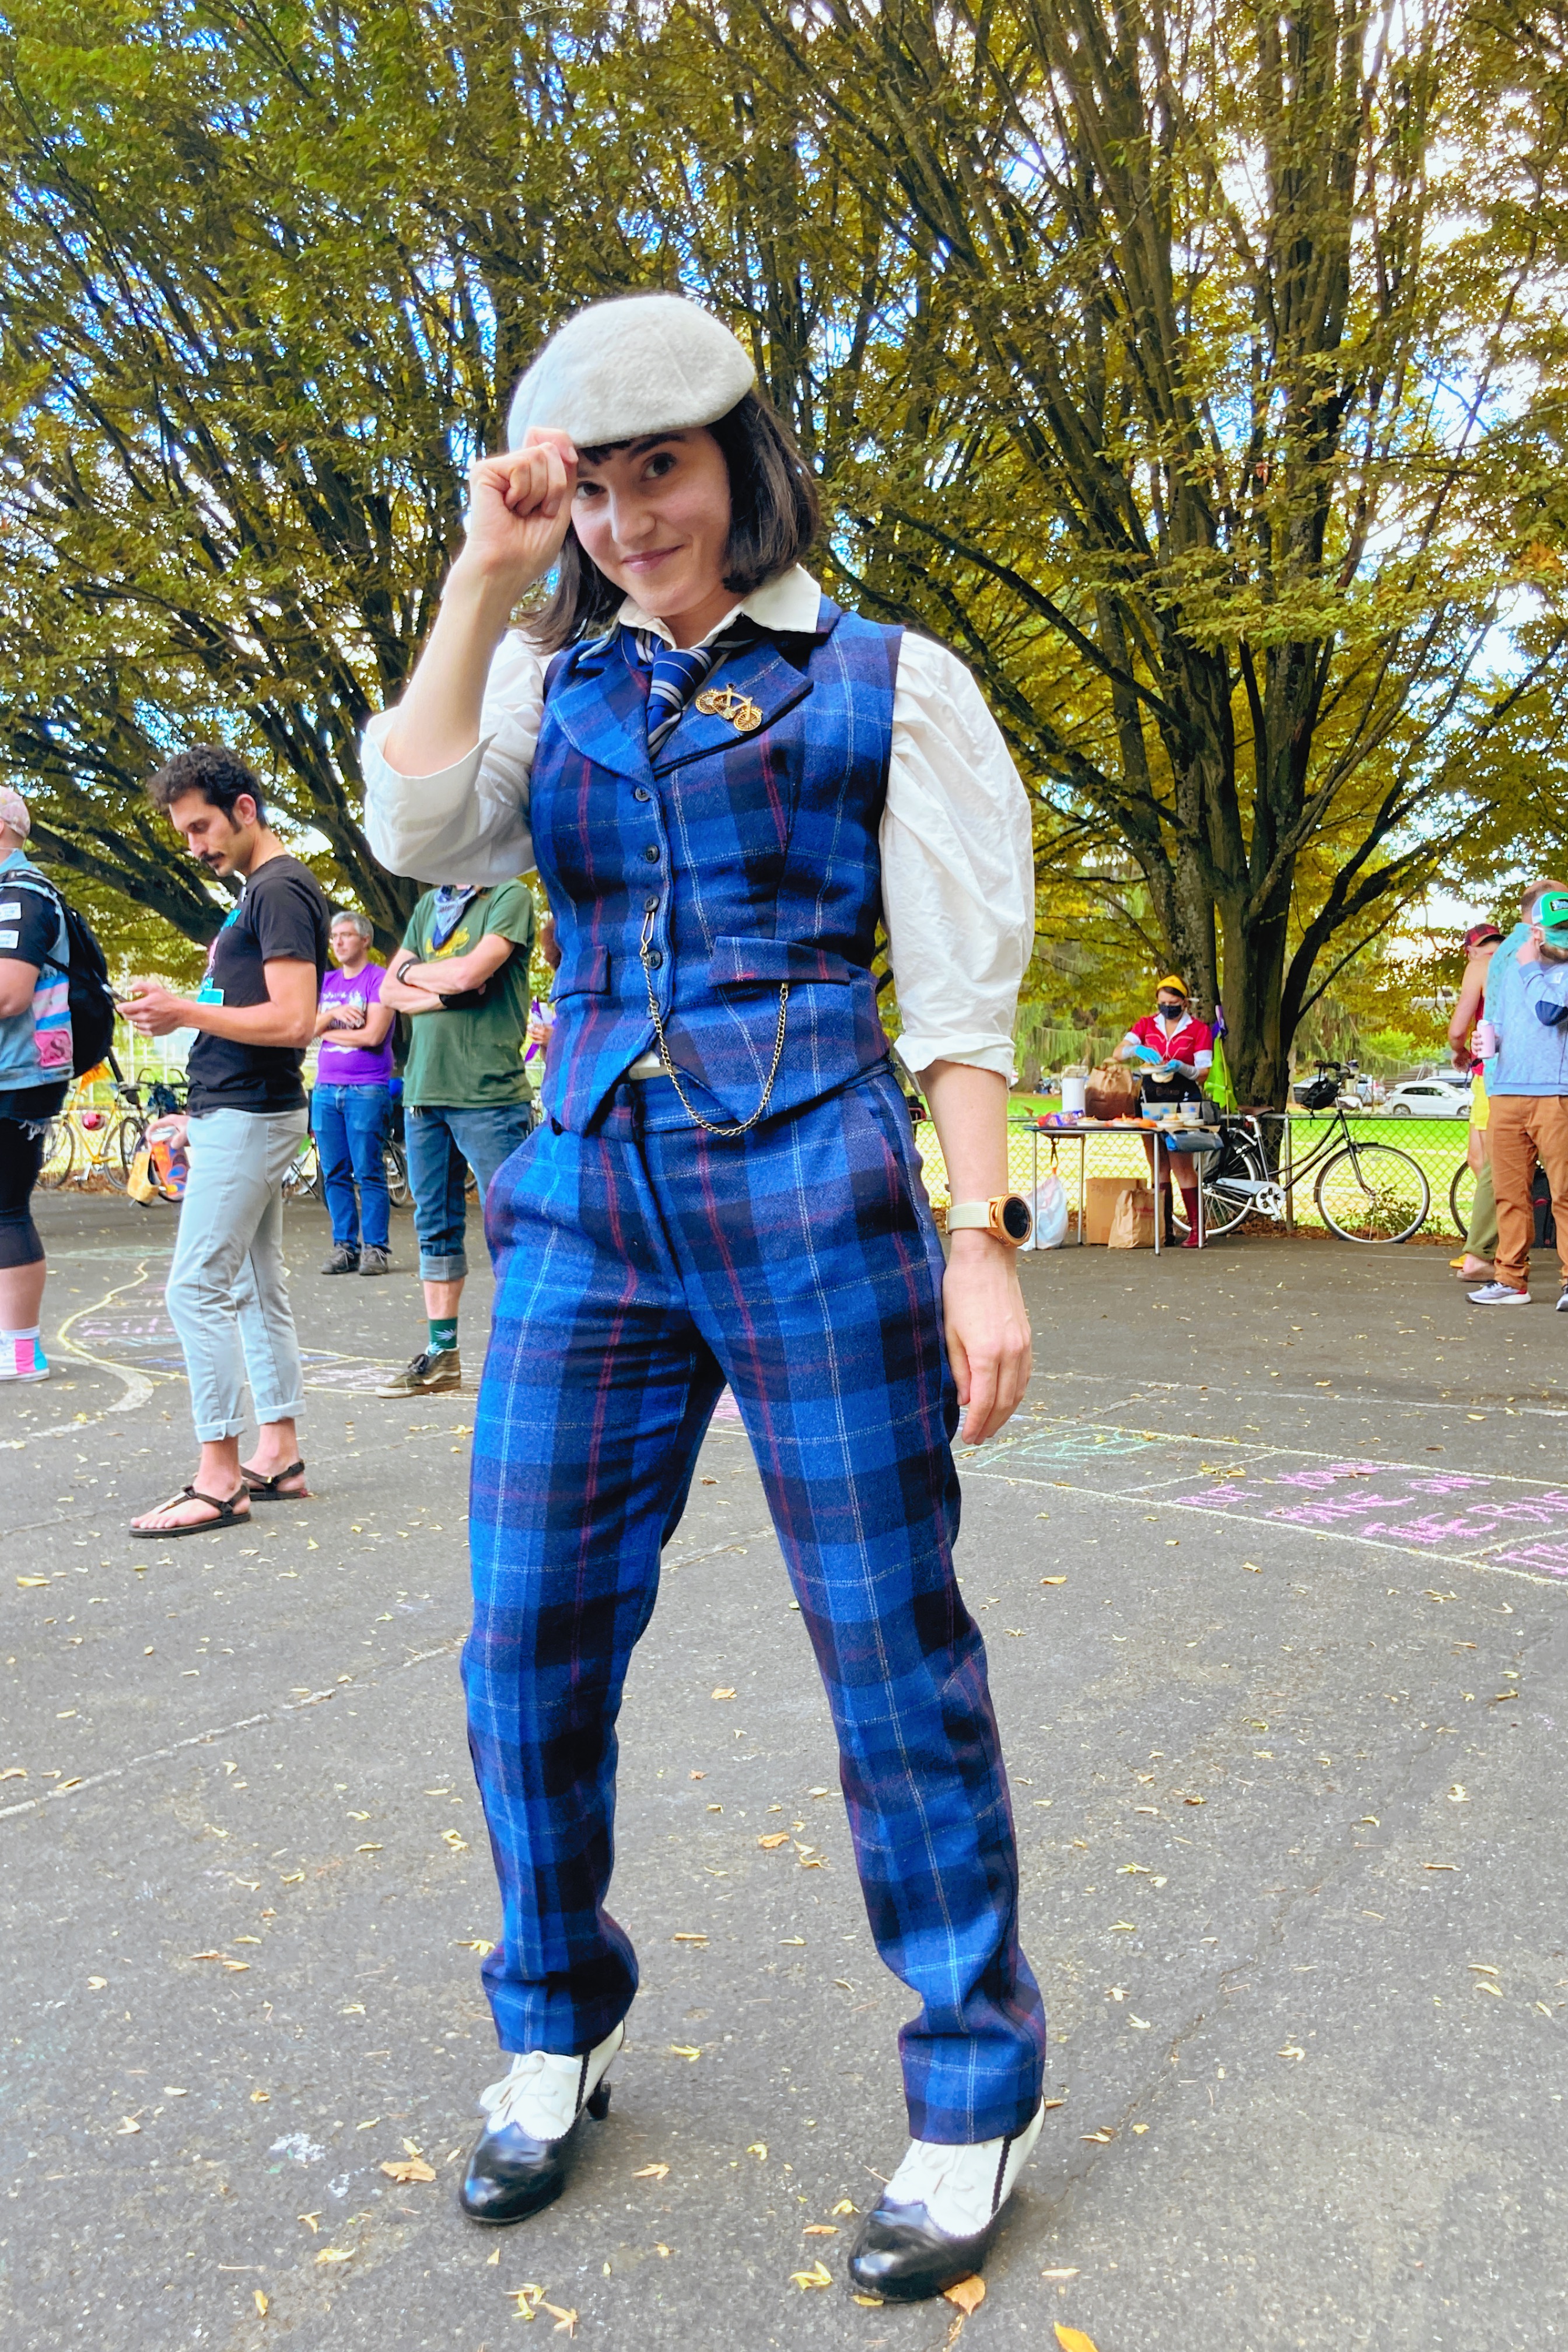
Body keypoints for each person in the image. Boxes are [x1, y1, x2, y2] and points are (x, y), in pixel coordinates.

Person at [362, 292, 1042, 2304]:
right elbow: (416, 830)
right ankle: (552, 2015)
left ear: (743, 461)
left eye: (659, 468)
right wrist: (484, 578)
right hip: (581, 1193)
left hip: (811, 1177)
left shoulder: (883, 684)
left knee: (883, 1641)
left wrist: (979, 1237)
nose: (628, 516)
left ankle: (970, 2080)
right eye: (591, 485)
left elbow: (959, 981)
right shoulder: (544, 684)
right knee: (525, 1642)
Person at [120, 747, 330, 1532]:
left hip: (250, 1113)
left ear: (245, 808)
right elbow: (254, 1013)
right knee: (250, 1285)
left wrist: (181, 1012)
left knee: (194, 1288)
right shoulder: (262, 891)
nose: (196, 846)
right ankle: (278, 1455)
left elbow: (291, 1020)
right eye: (184, 834)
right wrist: (195, 1105)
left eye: (202, 827)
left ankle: (219, 1478)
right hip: (237, 1109)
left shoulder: (277, 889)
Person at [373, 876, 537, 1396]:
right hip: (424, 1091)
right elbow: (387, 989)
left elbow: (470, 972)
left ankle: (529, 1355)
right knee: (434, 1227)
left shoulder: (507, 896)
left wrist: (419, 977)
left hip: (487, 1093)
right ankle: (442, 1356)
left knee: (517, 1227)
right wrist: (446, 994)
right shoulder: (429, 905)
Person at [1468, 879, 1568, 1308]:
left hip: (1557, 1092)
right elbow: (1499, 1018)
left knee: (1565, 1192)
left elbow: (1550, 1013)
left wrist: (1530, 966)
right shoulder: (1507, 961)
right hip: (1505, 1088)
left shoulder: (1556, 965)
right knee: (1509, 1191)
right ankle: (1511, 1280)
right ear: (1533, 923)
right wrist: (1485, 1043)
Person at [0, 788, 71, 1382]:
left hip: (18, 1075)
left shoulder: (21, 892)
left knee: (6, 1208)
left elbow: (9, 993)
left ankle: (22, 1351)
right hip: (16, 1071)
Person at [313, 909, 397, 1276]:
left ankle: (375, 1249)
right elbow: (303, 1028)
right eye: (334, 937)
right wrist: (334, 1016)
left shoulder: (380, 980)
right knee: (334, 1172)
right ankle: (344, 1246)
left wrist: (326, 1031)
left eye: (346, 935)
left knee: (368, 1172)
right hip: (325, 1089)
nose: (338, 942)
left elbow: (373, 1036)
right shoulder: (326, 983)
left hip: (366, 1088)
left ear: (365, 940)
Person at [1115, 974, 1214, 1246]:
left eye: (1172, 1002)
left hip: (1184, 1100)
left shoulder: (1199, 1030)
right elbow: (1118, 1053)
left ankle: (1197, 1230)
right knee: (1158, 1165)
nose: (1167, 1007)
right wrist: (1137, 1049)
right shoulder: (1147, 1024)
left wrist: (1180, 1067)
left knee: (1182, 1165)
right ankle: (1163, 1229)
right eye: (1162, 1003)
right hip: (1151, 1099)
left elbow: (1203, 1073)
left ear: (1184, 1002)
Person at [1447, 920, 1503, 1280]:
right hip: (1490, 1073)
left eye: (1495, 942)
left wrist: (1459, 1050)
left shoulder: (1480, 968)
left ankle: (1494, 1247)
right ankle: (1491, 1243)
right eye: (1486, 944)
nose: (1490, 949)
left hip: (1493, 1074)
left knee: (1498, 1167)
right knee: (1478, 1159)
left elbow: (1457, 1030)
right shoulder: (1523, 962)